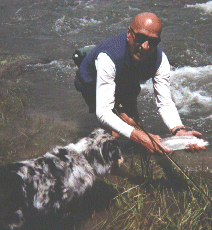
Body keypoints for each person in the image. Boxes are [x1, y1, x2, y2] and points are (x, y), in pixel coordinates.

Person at [75, 12, 206, 155]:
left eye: (153, 42)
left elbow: (165, 103)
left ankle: (138, 156)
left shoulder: (160, 60)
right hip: (92, 80)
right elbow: (103, 113)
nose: (145, 46)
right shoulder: (108, 57)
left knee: (133, 123)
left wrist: (179, 130)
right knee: (112, 134)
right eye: (141, 37)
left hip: (127, 74)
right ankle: (87, 148)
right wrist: (141, 138)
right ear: (129, 33)